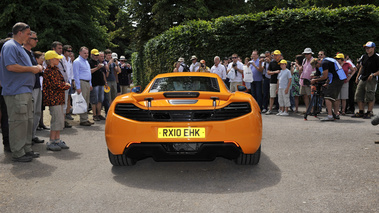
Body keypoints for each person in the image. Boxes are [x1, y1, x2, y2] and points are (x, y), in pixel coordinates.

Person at [0, 22, 43, 162]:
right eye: (28, 33)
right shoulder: (10, 46)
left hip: (24, 91)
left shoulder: (18, 47)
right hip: (16, 92)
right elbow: (11, 66)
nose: (29, 36)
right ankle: (18, 153)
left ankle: (26, 149)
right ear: (20, 32)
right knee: (18, 122)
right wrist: (32, 69)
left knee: (26, 122)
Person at [43, 51, 71, 151]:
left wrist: (64, 84)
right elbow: (56, 84)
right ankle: (51, 141)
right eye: (57, 58)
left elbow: (60, 82)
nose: (59, 60)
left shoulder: (55, 69)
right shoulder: (48, 71)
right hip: (53, 99)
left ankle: (57, 140)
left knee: (59, 120)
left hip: (59, 98)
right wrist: (66, 85)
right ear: (51, 60)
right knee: (56, 120)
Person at [23, 31, 44, 145]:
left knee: (36, 112)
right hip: (29, 87)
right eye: (35, 39)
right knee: (29, 114)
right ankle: (27, 139)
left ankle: (32, 135)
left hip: (37, 86)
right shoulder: (22, 52)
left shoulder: (30, 52)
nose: (37, 41)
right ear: (28, 39)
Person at [311, 57, 345, 121]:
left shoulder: (324, 63)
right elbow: (331, 73)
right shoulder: (327, 60)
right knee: (334, 98)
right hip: (340, 78)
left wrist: (315, 80)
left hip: (337, 79)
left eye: (316, 66)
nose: (317, 67)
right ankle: (336, 114)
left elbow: (324, 76)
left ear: (318, 62)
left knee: (327, 97)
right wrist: (327, 82)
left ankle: (330, 116)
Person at [352, 42, 379, 119]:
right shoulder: (364, 56)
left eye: (369, 48)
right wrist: (357, 77)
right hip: (363, 78)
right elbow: (361, 67)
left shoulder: (377, 57)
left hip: (371, 79)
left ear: (373, 48)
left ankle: (369, 112)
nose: (367, 49)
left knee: (370, 95)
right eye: (366, 48)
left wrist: (373, 74)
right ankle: (361, 111)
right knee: (358, 95)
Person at [52, 41, 72, 128]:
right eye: (59, 48)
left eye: (61, 48)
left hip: (65, 84)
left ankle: (63, 121)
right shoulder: (51, 58)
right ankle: (58, 123)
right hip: (57, 85)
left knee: (64, 104)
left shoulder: (62, 58)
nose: (61, 50)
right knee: (58, 105)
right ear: (54, 49)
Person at [73, 46, 93, 126]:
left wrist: (90, 84)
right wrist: (78, 87)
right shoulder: (77, 62)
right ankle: (83, 119)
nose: (86, 54)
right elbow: (76, 75)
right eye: (84, 53)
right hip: (82, 82)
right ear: (80, 53)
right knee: (83, 101)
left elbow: (88, 73)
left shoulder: (86, 61)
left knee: (87, 101)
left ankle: (85, 118)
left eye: (87, 53)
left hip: (87, 82)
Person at [89, 49, 106, 121]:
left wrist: (105, 82)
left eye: (97, 55)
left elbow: (102, 73)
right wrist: (97, 68)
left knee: (100, 100)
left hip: (101, 83)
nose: (96, 56)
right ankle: (94, 115)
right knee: (94, 100)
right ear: (91, 55)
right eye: (95, 55)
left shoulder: (99, 62)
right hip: (94, 83)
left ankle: (99, 114)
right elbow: (89, 72)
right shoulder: (89, 62)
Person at [266, 50, 282, 115]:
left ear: (280, 55)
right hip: (273, 81)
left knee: (281, 96)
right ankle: (270, 109)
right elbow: (268, 72)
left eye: (276, 55)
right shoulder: (271, 63)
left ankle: (281, 109)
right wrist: (275, 72)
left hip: (281, 82)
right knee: (272, 96)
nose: (275, 56)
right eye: (274, 55)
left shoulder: (282, 63)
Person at [62, 45, 74, 120]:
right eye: (68, 51)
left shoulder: (69, 59)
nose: (70, 52)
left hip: (69, 81)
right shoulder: (61, 58)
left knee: (69, 97)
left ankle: (67, 112)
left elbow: (71, 70)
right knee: (64, 98)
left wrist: (72, 80)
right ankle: (63, 115)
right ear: (64, 51)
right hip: (64, 81)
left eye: (70, 51)